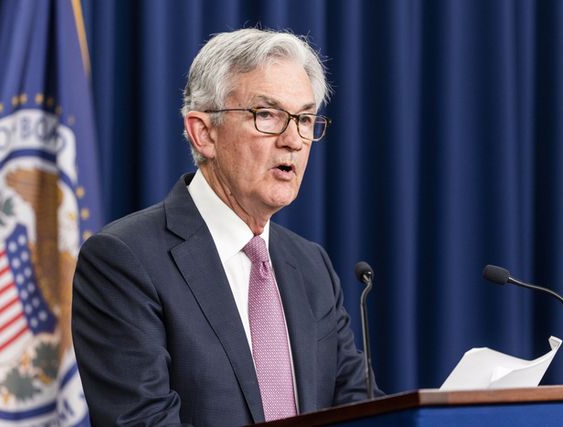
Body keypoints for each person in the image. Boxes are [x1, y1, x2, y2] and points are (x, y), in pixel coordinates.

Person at [72, 28, 381, 427]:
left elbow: (360, 408)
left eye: (305, 119)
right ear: (204, 133)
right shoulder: (124, 260)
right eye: (267, 115)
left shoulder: (311, 266)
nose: (293, 140)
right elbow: (142, 420)